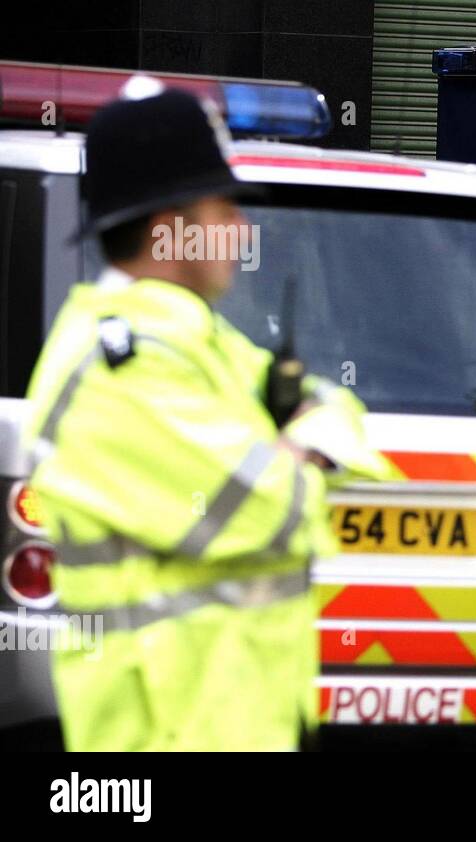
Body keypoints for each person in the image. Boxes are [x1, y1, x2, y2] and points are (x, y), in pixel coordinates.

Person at [23, 85, 396, 750]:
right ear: (171, 224)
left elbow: (344, 417)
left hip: (237, 725)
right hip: (161, 734)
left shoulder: (196, 337)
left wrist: (297, 448)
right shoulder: (119, 366)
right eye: (224, 207)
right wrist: (302, 455)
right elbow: (267, 509)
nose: (243, 231)